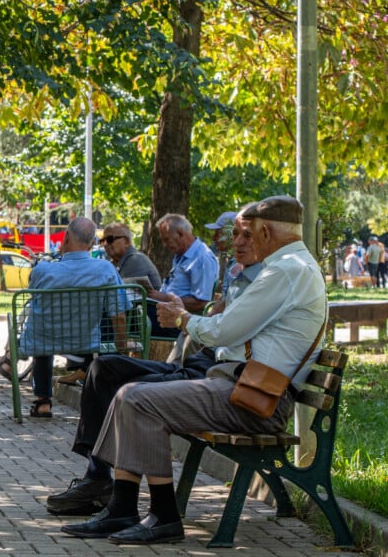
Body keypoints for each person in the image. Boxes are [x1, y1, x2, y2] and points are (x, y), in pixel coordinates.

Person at [61, 195, 326, 545]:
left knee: (137, 398)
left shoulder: (285, 270)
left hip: (254, 399)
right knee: (129, 394)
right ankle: (122, 507)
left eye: (249, 233)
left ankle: (163, 516)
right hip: (240, 385)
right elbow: (231, 328)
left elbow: (225, 330)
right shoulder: (291, 267)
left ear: (265, 230)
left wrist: (183, 319)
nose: (242, 240)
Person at [46, 208, 262, 516]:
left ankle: (128, 501)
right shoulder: (238, 273)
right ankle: (99, 478)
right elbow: (218, 316)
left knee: (132, 394)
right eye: (234, 234)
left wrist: (181, 316)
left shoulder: (267, 278)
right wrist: (189, 314)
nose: (232, 241)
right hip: (201, 359)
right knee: (103, 367)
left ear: (268, 238)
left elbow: (220, 325)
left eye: (245, 235)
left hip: (217, 369)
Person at [0, 217, 132, 417]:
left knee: (44, 330)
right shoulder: (105, 270)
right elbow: (118, 314)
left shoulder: (42, 271)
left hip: (43, 341)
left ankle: (43, 401)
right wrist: (121, 346)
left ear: (65, 238)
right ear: (93, 243)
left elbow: (32, 299)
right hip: (86, 342)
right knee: (54, 330)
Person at [146, 214, 217, 338]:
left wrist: (163, 298)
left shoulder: (202, 258)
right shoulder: (181, 255)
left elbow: (202, 303)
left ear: (180, 233)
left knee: (124, 315)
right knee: (125, 309)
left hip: (179, 322)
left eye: (166, 239)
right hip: (165, 313)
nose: (164, 245)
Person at [100, 223, 161, 290]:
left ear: (126, 242)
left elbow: (119, 293)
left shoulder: (135, 260)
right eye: (102, 241)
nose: (105, 244)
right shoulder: (113, 263)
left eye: (110, 239)